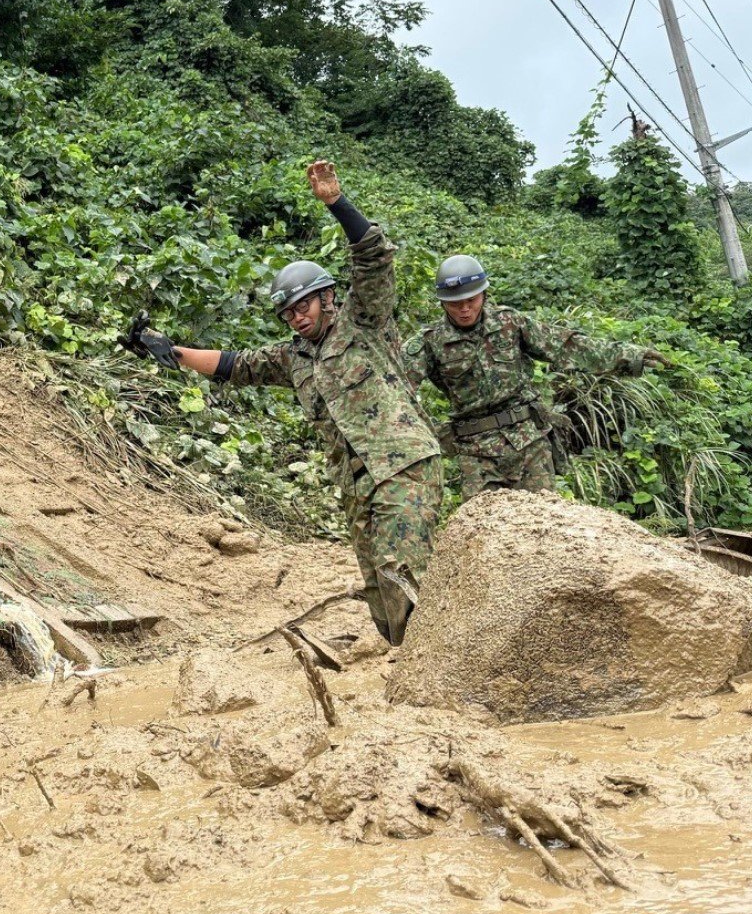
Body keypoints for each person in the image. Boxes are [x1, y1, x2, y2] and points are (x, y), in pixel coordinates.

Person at [126, 161, 442, 645]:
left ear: (326, 298)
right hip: (356, 483)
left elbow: (374, 259)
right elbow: (236, 365)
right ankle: (402, 664)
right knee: (379, 586)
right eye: (288, 313)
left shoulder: (364, 323)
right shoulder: (292, 357)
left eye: (303, 306)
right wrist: (171, 350)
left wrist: (336, 203)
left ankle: (433, 667)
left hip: (403, 465)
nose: (296, 318)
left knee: (402, 569)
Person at [405, 255, 669, 495]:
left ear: (484, 295)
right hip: (476, 453)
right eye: (455, 304)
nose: (464, 309)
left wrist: (631, 355)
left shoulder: (510, 323)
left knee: (541, 524)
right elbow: (395, 382)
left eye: (470, 301)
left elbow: (565, 346)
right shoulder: (430, 343)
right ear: (442, 303)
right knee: (486, 528)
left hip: (528, 441)